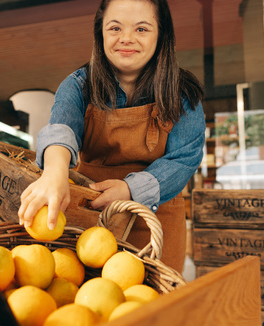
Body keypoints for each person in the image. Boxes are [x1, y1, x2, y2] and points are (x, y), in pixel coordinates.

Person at [18, 0, 205, 273]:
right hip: (91, 215)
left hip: (156, 219)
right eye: (115, 27)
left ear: (161, 35)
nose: (126, 38)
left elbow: (183, 159)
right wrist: (54, 173)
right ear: (100, 33)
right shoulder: (79, 85)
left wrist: (129, 190)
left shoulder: (182, 92)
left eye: (142, 29)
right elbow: (62, 128)